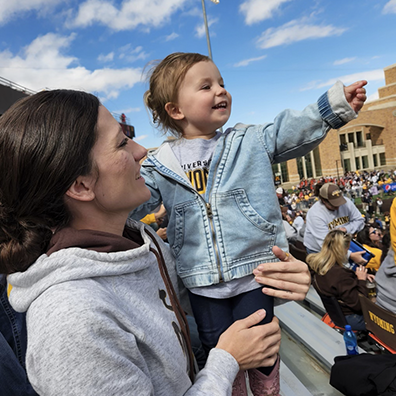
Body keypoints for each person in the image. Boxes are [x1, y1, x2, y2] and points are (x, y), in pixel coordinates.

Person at [0, 90, 290, 395]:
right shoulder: (72, 322)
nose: (141, 151)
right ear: (82, 185)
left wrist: (274, 280)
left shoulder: (139, 240)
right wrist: (226, 360)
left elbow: (195, 295)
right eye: (121, 143)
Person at [129, 52, 366, 394]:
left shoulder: (247, 141)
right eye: (206, 86)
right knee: (219, 349)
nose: (221, 91)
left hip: (254, 269)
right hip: (201, 280)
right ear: (175, 110)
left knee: (263, 342)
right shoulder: (159, 165)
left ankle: (269, 389)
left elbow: (287, 130)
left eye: (222, 83)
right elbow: (132, 202)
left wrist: (331, 108)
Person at [307, 229, 371, 331]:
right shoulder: (340, 274)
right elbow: (359, 305)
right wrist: (361, 280)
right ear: (342, 249)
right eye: (347, 249)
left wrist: (356, 277)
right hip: (352, 319)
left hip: (337, 316)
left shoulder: (318, 268)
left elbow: (337, 284)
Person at [304, 183, 366, 266]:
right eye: (333, 204)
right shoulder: (315, 214)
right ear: (324, 201)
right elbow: (325, 244)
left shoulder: (346, 202)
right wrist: (349, 255)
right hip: (319, 250)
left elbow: (360, 220)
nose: (338, 206)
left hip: (343, 246)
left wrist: (346, 229)